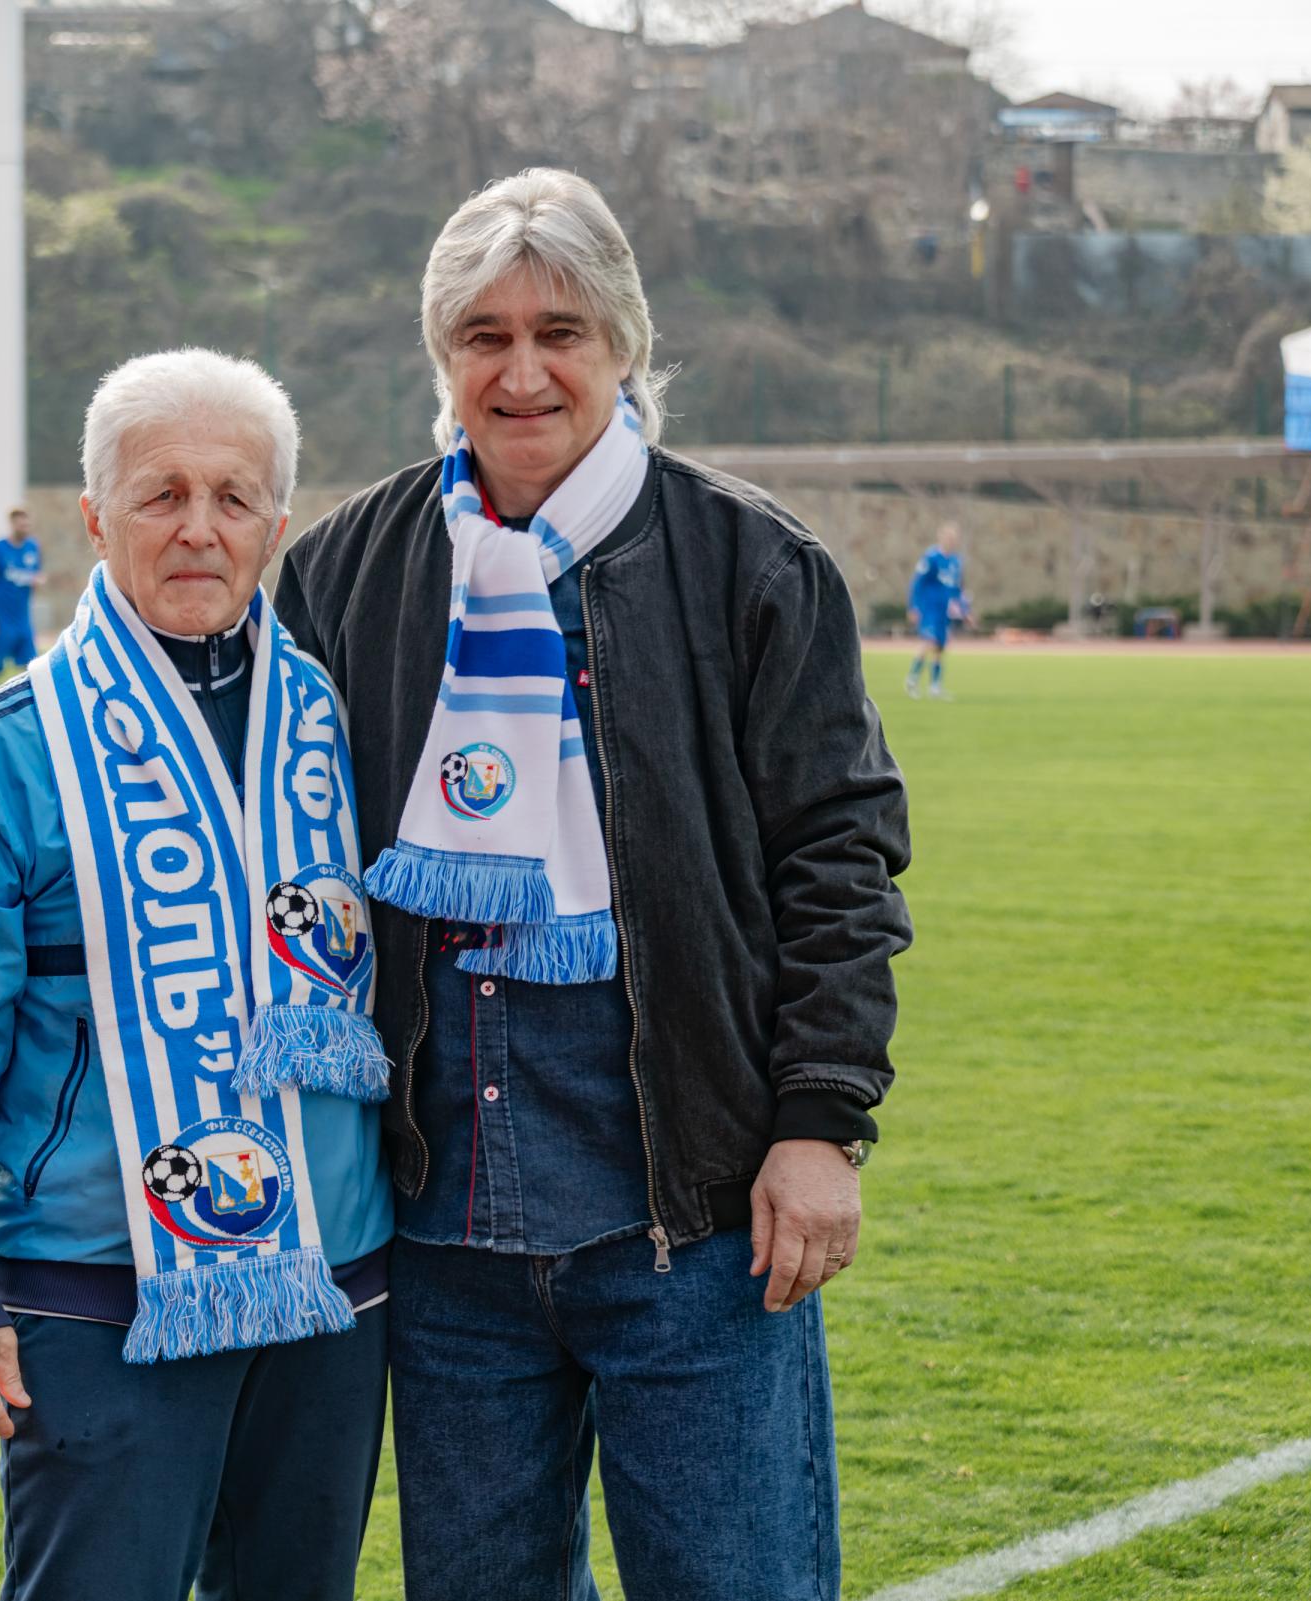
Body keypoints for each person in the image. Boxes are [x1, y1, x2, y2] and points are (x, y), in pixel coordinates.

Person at [275, 169, 912, 1601]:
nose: (523, 373)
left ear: (624, 342)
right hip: (444, 1234)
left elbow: (840, 858)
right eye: (485, 336)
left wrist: (820, 1123)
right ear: (442, 357)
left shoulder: (754, 564)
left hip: (693, 1221)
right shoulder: (346, 572)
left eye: (559, 331)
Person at [0, 350, 394, 1601]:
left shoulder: (340, 720)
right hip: (103, 1298)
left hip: (335, 1294)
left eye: (233, 496)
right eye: (162, 494)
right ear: (96, 516)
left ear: (277, 523)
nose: (199, 527)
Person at [0, 506, 45, 689]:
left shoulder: (33, 548)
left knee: (31, 670)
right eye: (21, 525)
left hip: (23, 621)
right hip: (0, 621)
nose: (25, 528)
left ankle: (32, 706)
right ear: (12, 524)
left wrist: (37, 581)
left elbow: (35, 577)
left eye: (27, 524)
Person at [906, 522, 971, 699]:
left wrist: (965, 611)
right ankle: (912, 680)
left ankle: (935, 687)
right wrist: (913, 606)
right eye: (948, 537)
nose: (951, 541)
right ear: (940, 537)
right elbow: (917, 583)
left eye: (953, 538)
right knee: (929, 642)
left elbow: (957, 589)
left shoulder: (956, 561)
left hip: (944, 610)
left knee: (940, 648)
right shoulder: (931, 557)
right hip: (929, 607)